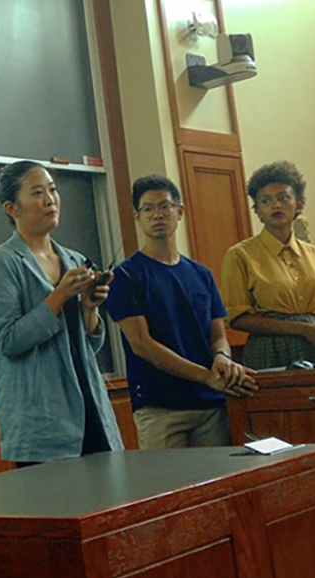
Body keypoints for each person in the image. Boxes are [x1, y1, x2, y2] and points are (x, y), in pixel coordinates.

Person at [0, 160, 123, 464]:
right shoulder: (1, 263)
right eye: (38, 193)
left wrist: (89, 310)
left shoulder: (73, 258)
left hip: (90, 407)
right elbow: (8, 341)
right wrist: (58, 297)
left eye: (53, 190)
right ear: (11, 208)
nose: (50, 199)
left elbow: (89, 345)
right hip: (42, 423)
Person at [105, 174, 257, 450]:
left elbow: (217, 336)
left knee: (217, 487)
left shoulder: (201, 274)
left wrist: (222, 357)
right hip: (160, 408)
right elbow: (142, 345)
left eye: (165, 206)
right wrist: (206, 377)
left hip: (212, 405)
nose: (157, 215)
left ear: (180, 212)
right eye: (148, 209)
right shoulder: (126, 276)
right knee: (169, 488)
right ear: (137, 217)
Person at [220, 160, 315, 368]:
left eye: (283, 198)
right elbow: (237, 319)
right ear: (258, 211)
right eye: (265, 201)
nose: (275, 205)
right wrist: (302, 329)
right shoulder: (240, 256)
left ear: (298, 204)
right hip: (270, 348)